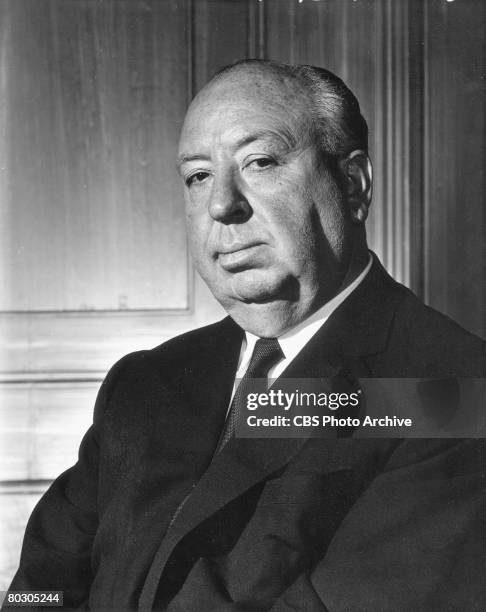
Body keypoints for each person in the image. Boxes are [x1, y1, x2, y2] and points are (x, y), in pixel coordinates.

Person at [6, 60, 486, 611]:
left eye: (259, 162)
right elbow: (39, 590)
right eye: (198, 176)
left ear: (352, 184)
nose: (220, 205)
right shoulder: (143, 384)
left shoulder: (453, 393)